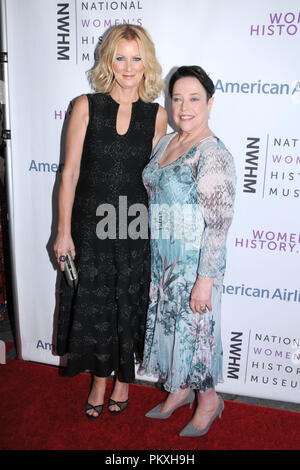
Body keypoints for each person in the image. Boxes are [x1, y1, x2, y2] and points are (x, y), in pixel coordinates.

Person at [54, 24, 167, 419]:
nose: (129, 66)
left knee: (127, 303)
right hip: (90, 226)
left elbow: (156, 181)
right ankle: (100, 378)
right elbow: (68, 173)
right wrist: (63, 231)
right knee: (96, 304)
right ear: (109, 61)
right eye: (121, 57)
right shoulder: (86, 105)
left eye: (136, 58)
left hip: (134, 226)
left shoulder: (157, 116)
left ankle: (123, 380)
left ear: (146, 62)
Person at [142, 66, 236, 436]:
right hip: (163, 261)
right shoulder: (167, 142)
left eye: (194, 98)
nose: (184, 106)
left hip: (194, 265)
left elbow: (219, 224)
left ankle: (209, 400)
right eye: (177, 98)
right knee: (170, 331)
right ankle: (179, 389)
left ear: (210, 103)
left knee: (196, 335)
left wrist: (204, 280)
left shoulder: (212, 154)